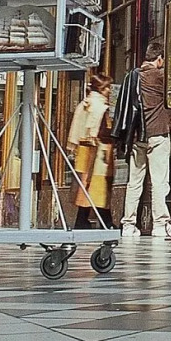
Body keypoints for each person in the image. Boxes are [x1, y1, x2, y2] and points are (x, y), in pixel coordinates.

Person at [120, 41, 171, 239]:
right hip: (158, 135)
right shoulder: (161, 76)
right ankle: (160, 224)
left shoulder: (133, 76)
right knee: (159, 182)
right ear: (160, 59)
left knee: (134, 182)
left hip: (137, 136)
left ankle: (128, 224)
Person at [69, 73, 115, 229]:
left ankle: (82, 219)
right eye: (107, 87)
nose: (109, 90)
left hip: (83, 150)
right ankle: (105, 222)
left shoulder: (84, 103)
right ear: (102, 88)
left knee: (85, 185)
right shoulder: (101, 106)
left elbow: (76, 127)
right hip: (98, 150)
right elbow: (101, 130)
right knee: (100, 186)